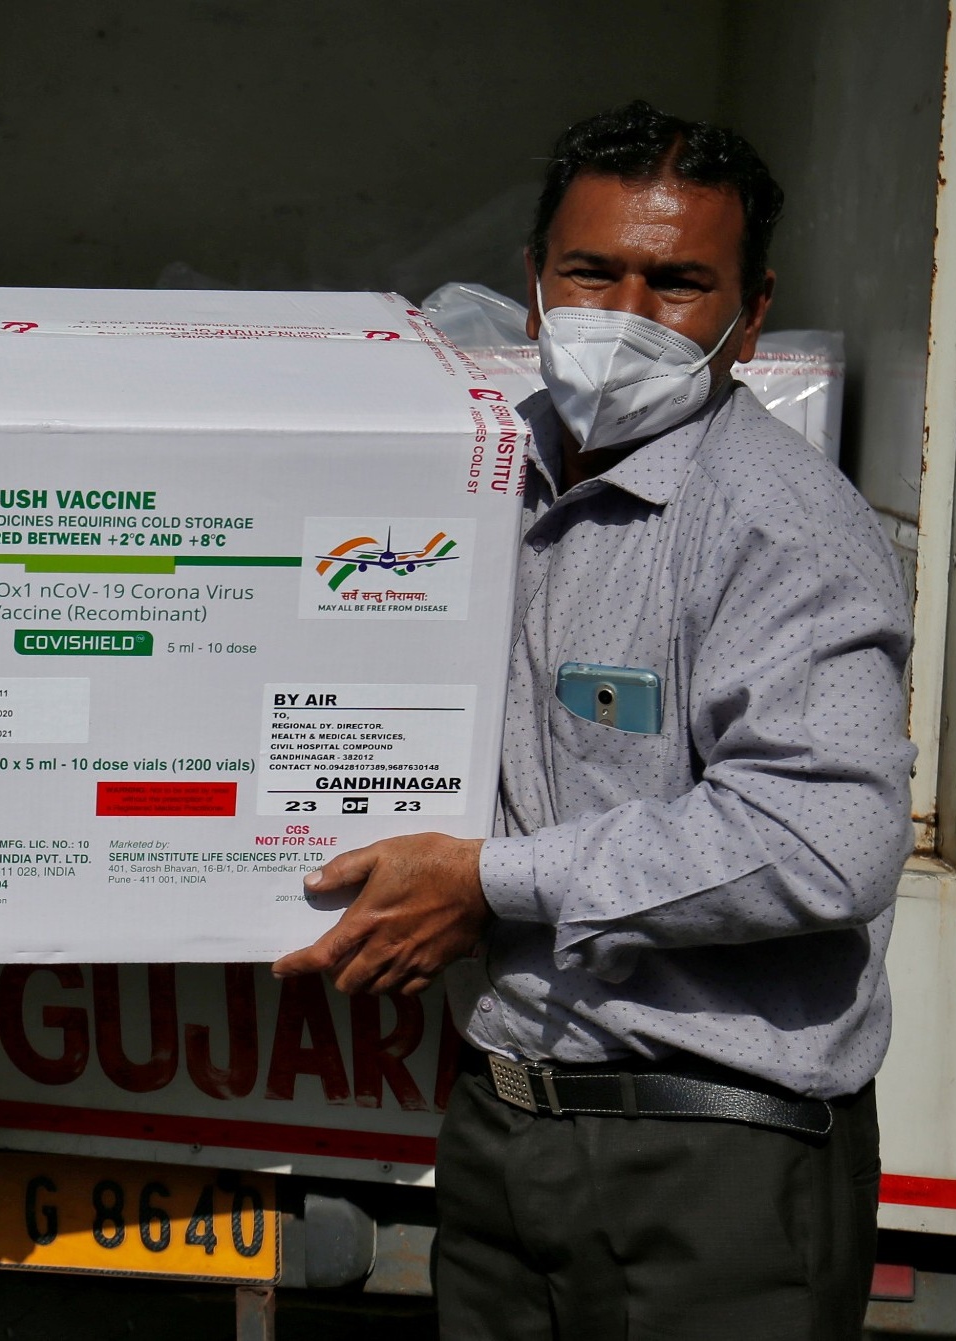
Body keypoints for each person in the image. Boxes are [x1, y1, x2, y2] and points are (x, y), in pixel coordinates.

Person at [276, 100, 914, 1339]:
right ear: (532, 283)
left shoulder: (780, 529)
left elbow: (827, 839)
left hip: (710, 1167)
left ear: (750, 310)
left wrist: (493, 880)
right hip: (507, 1124)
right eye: (591, 272)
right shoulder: (474, 477)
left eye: (675, 283)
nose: (623, 317)